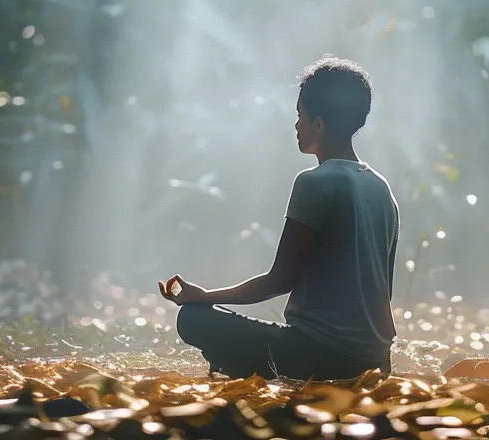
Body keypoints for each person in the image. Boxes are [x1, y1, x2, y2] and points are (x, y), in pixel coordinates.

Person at [159, 56, 399, 380]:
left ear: (319, 123)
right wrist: (380, 363)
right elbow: (382, 293)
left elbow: (280, 281)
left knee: (192, 319)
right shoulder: (381, 188)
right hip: (370, 359)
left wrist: (204, 297)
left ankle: (242, 366)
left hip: (316, 355)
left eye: (300, 116)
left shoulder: (314, 182)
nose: (296, 125)